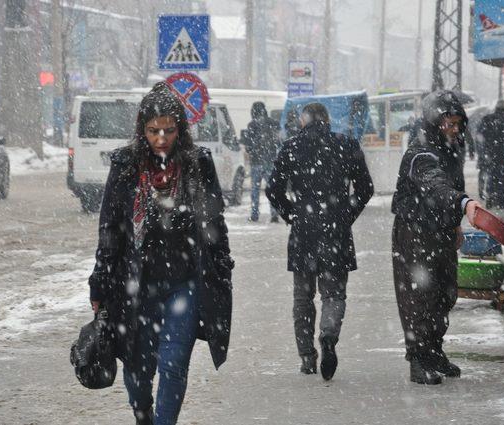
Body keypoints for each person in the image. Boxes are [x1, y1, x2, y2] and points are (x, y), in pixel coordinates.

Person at [87, 82, 234, 425]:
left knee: (173, 362)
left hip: (185, 283)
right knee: (138, 368)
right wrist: (100, 281)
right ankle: (143, 414)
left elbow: (214, 223)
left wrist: (221, 267)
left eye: (169, 130)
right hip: (137, 284)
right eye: (153, 131)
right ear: (142, 129)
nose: (161, 138)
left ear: (180, 128)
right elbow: (110, 227)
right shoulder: (125, 164)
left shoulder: (198, 164)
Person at [266, 103, 373, 381]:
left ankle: (307, 358)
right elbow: (366, 188)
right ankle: (328, 335)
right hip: (336, 228)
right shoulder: (346, 144)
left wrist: (292, 214)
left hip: (304, 229)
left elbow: (273, 189)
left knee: (303, 298)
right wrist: (346, 213)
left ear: (303, 121)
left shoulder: (291, 146)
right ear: (326, 120)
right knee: (333, 294)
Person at [391, 90, 481, 385]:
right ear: (434, 122)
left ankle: (434, 351)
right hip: (415, 232)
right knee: (418, 296)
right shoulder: (420, 153)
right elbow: (436, 187)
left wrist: (455, 222)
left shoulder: (452, 149)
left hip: (441, 230)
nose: (455, 130)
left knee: (445, 293)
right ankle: (417, 360)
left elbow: (454, 183)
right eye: (449, 124)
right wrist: (464, 203)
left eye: (458, 124)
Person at [240, 101, 281, 222]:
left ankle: (254, 214)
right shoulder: (274, 124)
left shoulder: (252, 125)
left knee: (255, 190)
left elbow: (248, 145)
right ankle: (274, 214)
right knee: (271, 189)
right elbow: (278, 142)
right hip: (270, 162)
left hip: (256, 162)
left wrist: (251, 149)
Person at [478, 101, 504, 209]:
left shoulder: (487, 119)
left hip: (491, 155)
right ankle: (503, 200)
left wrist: (483, 153)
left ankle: (491, 197)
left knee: (492, 176)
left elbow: (480, 138)